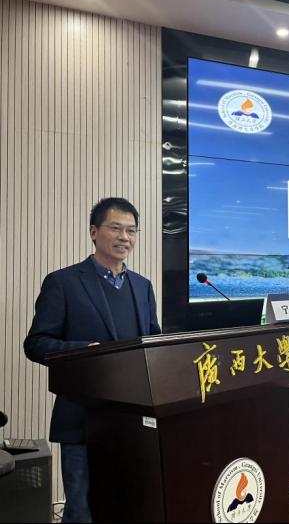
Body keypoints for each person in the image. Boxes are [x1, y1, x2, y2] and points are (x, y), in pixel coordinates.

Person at [24, 198, 161, 523]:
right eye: (116, 228)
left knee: (128, 507)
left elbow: (153, 342)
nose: (124, 237)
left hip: (132, 421)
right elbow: (36, 344)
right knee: (81, 512)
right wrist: (85, 350)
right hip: (82, 420)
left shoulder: (142, 287)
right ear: (94, 232)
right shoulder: (63, 282)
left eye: (131, 231)